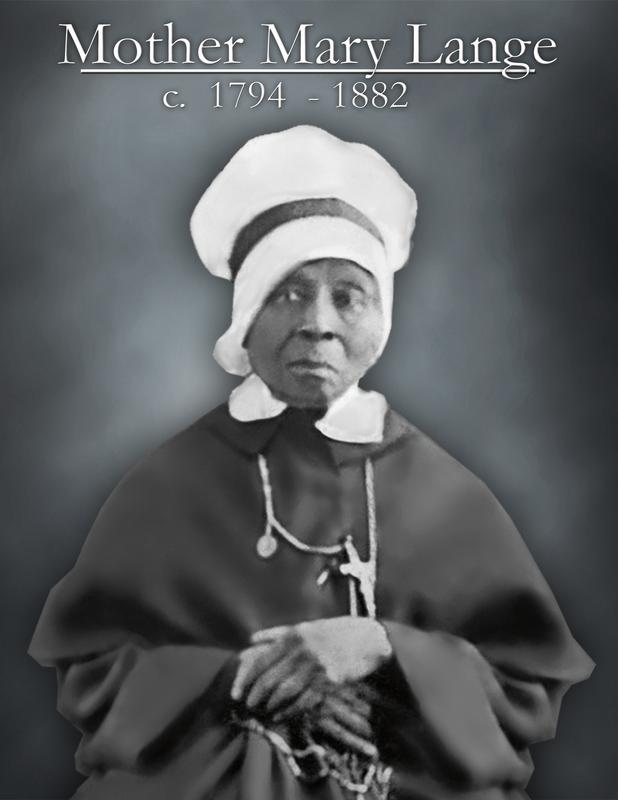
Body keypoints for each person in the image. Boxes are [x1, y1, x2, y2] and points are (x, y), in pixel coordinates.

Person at [29, 125, 593, 800]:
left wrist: (381, 647)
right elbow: (91, 668)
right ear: (246, 316)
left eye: (348, 295)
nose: (318, 323)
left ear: (381, 318)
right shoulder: (168, 485)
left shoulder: (445, 492)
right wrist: (243, 681)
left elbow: (525, 682)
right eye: (289, 292)